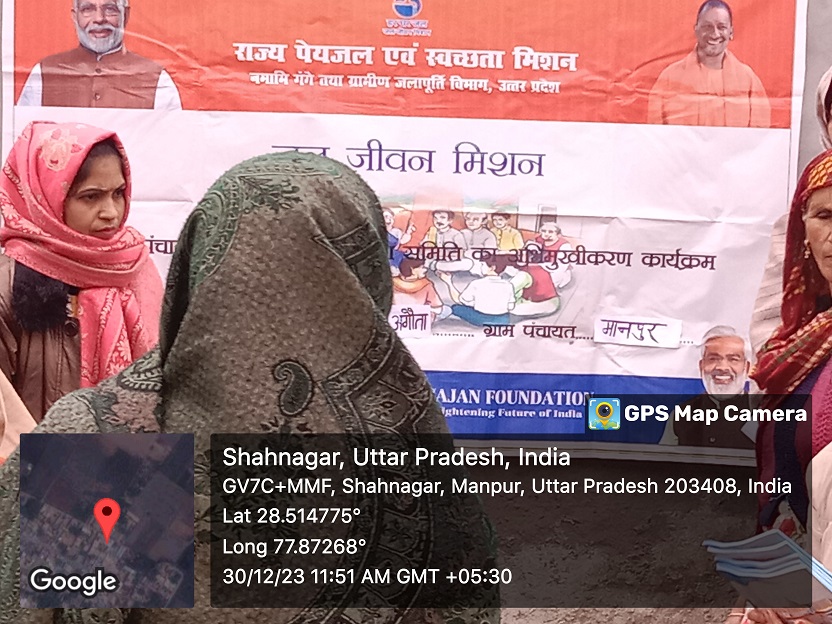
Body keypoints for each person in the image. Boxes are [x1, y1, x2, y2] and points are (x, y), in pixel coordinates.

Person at [0, 151, 499, 623]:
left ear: (201, 265)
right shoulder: (409, 450)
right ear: (365, 272)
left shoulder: (90, 437)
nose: (108, 211)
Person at [0, 121, 164, 423]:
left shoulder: (134, 267)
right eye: (90, 196)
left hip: (137, 452)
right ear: (46, 198)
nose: (111, 212)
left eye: (118, 193)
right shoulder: (7, 286)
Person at [18, 0, 181, 109]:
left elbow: (173, 142)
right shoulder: (45, 72)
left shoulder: (156, 78)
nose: (99, 19)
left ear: (126, 15)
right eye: (87, 9)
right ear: (75, 16)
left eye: (110, 9)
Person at [647, 0, 770, 128]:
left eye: (721, 27)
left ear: (731, 32)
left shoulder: (748, 80)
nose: (715, 34)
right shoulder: (669, 78)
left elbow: (760, 133)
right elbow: (654, 133)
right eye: (707, 26)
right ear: (696, 30)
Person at [671, 326, 756, 449]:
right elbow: (663, 458)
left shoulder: (763, 414)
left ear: (747, 368)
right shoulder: (682, 413)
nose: (722, 367)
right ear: (701, 366)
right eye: (713, 359)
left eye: (733, 359)